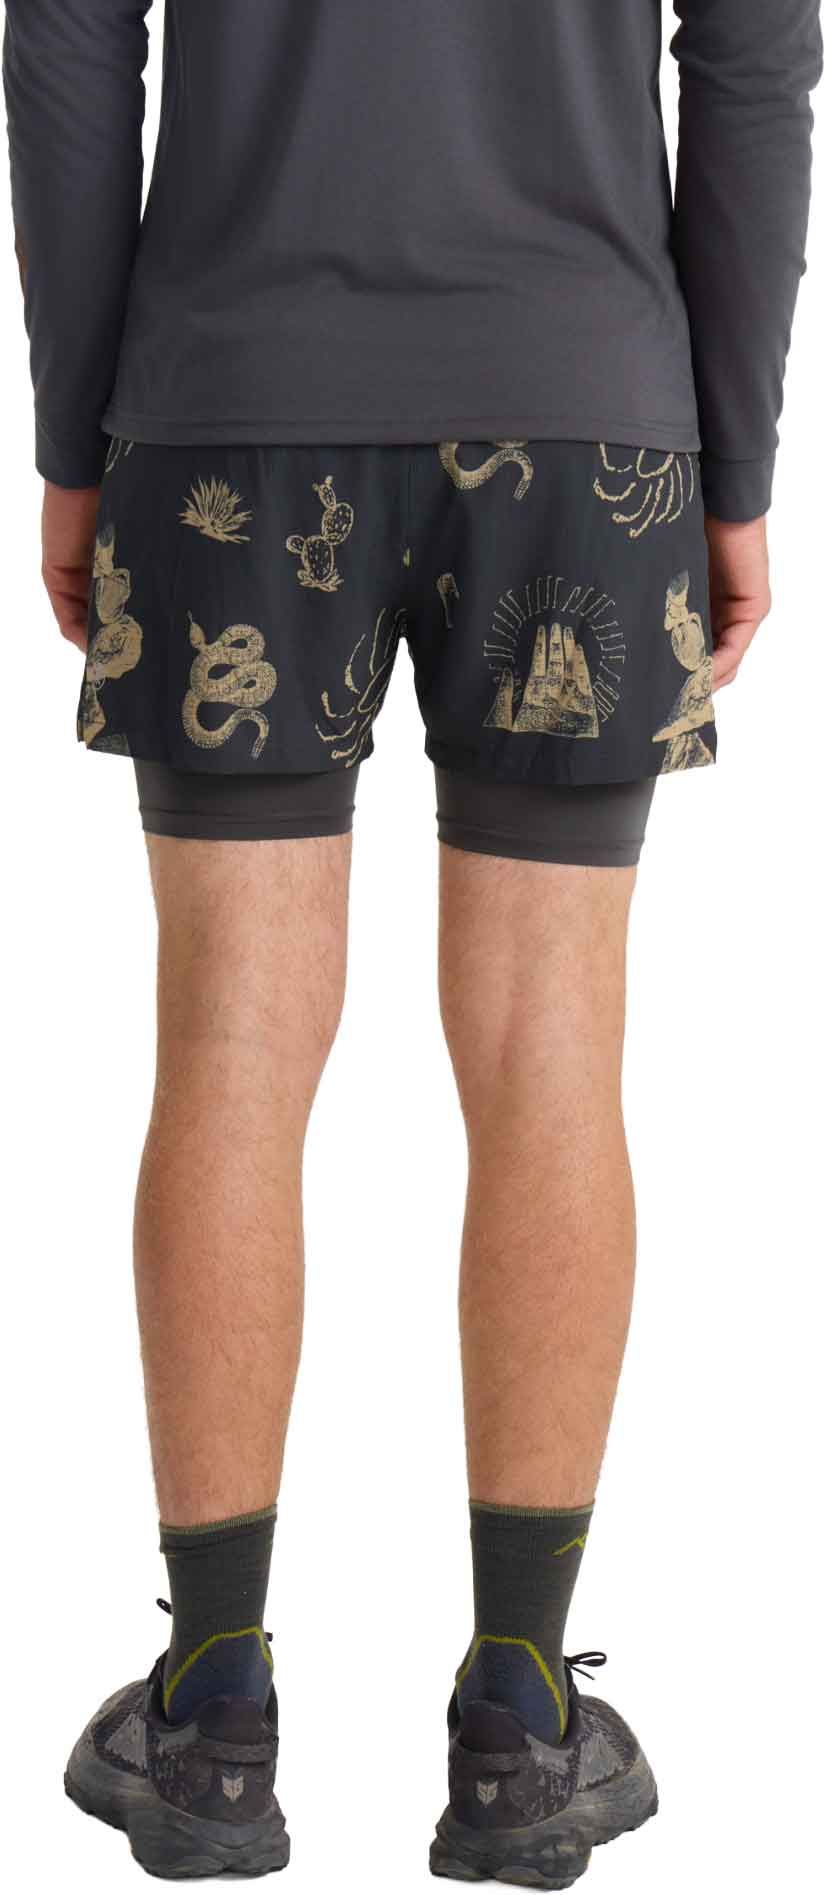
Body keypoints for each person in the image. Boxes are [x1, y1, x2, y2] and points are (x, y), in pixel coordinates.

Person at [4, 2, 821, 1884]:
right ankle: (520, 1722)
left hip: (231, 401)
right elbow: (755, 57)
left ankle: (212, 1714)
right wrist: (730, 468)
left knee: (229, 1042)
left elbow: (67, 46)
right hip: (582, 412)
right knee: (551, 1057)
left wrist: (74, 437)